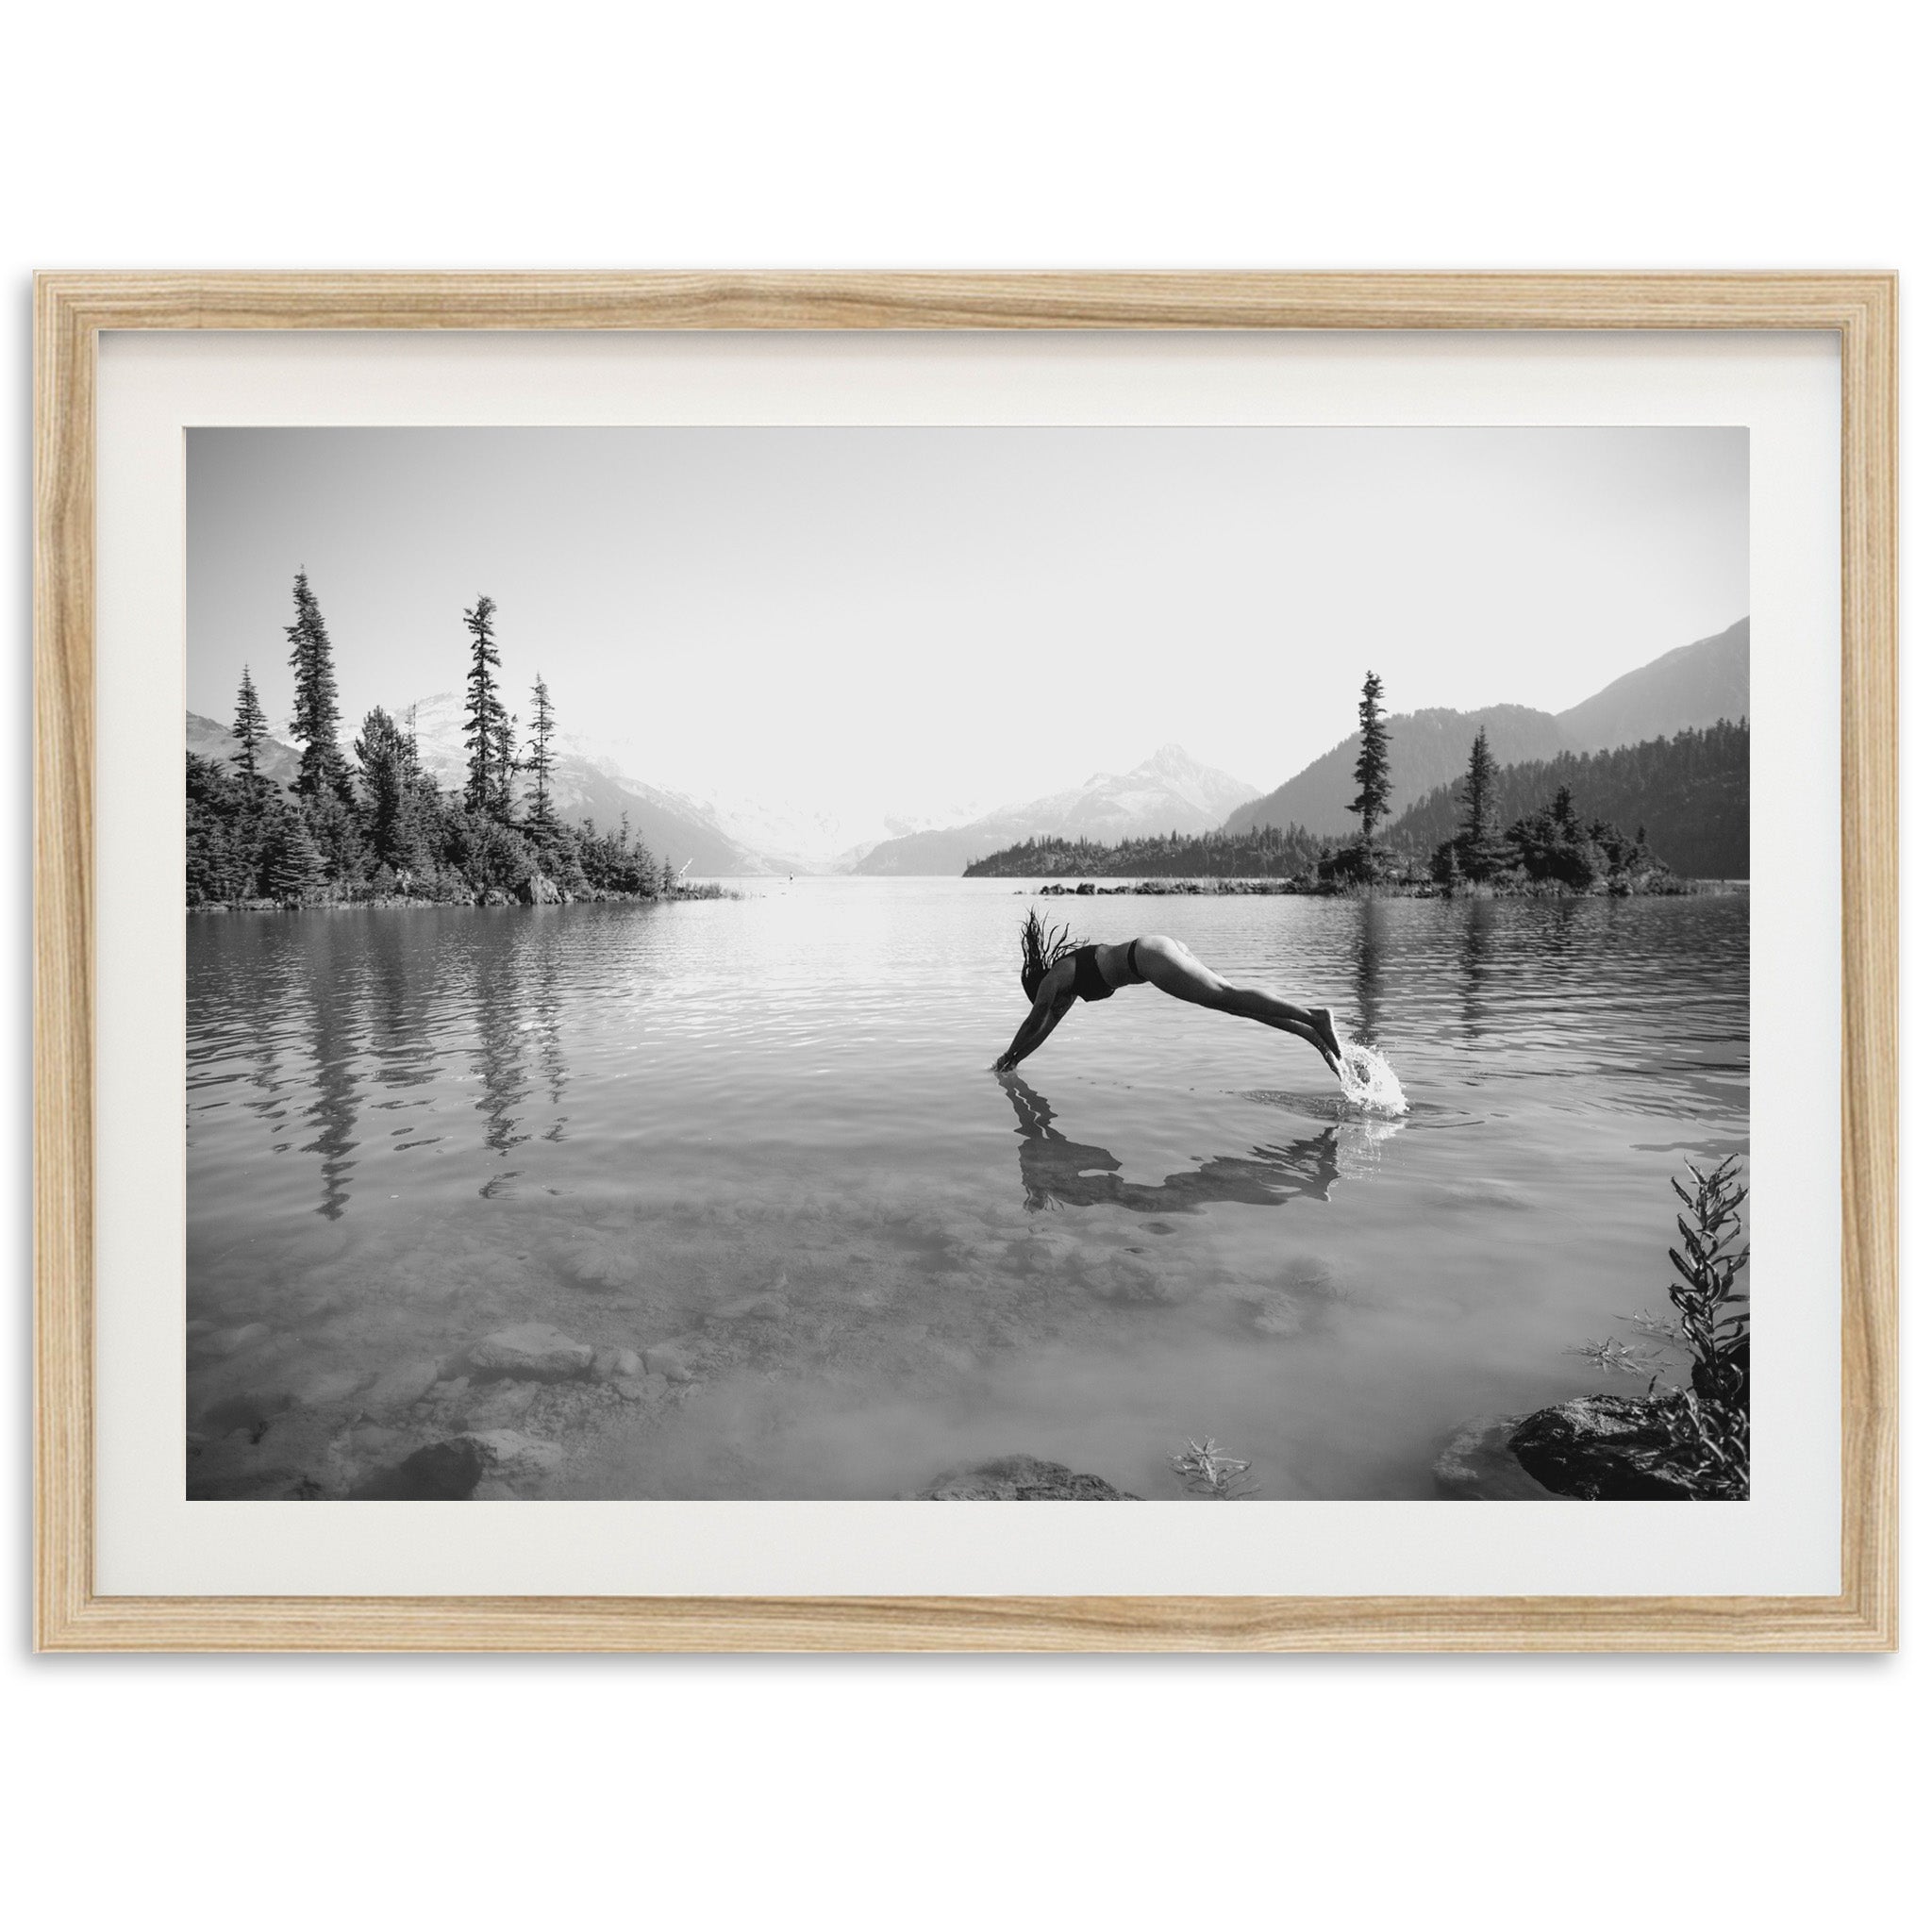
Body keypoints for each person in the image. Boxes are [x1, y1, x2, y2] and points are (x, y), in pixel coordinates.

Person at [992, 909, 1345, 1077]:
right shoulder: (1066, 989)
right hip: (1155, 950)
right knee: (1234, 1004)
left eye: (1041, 995)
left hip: (1147, 957)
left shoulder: (1056, 977)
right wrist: (1015, 1062)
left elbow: (1035, 1018)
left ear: (1039, 983)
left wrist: (1006, 1054)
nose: (1046, 1001)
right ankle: (1312, 1035)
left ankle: (1315, 1016)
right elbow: (1044, 1029)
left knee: (1226, 994)